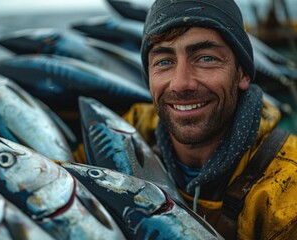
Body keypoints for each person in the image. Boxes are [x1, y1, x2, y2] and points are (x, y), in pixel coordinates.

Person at [119, 0, 297, 239]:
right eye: (164, 62)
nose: (181, 84)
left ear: (242, 74)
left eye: (206, 58)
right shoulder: (129, 129)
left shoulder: (287, 191)